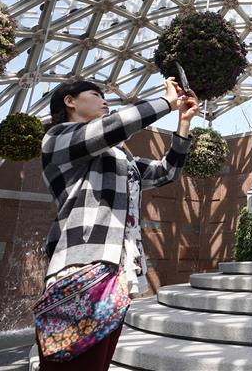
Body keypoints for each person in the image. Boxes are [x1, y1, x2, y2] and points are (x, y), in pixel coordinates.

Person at [38, 78, 198, 370]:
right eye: (95, 94)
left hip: (118, 270)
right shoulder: (58, 138)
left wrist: (183, 123)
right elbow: (110, 129)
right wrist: (166, 103)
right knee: (73, 363)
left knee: (97, 363)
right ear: (69, 101)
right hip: (83, 266)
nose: (104, 100)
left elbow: (166, 173)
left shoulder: (119, 157)